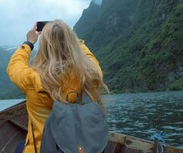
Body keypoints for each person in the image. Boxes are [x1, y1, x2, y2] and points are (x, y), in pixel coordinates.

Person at [7, 20, 108, 153]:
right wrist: (73, 40)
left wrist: (29, 42)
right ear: (71, 43)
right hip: (81, 149)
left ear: (44, 48)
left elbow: (14, 66)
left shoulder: (32, 79)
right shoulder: (91, 74)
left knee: (20, 147)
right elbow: (89, 57)